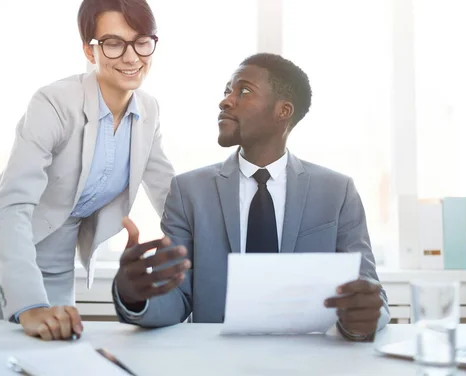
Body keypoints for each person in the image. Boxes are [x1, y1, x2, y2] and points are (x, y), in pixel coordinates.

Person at [0, 0, 174, 341]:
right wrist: (29, 305)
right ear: (89, 49)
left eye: (141, 41)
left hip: (59, 268)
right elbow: (11, 206)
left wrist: (213, 251)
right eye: (113, 43)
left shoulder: (148, 111)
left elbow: (170, 195)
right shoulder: (54, 102)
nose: (131, 56)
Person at [113, 53, 390, 340]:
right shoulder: (189, 192)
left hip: (308, 361)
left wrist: (366, 315)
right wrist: (136, 295)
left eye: (243, 91)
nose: (225, 100)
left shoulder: (337, 192)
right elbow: (176, 298)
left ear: (283, 111)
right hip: (219, 361)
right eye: (226, 91)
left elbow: (370, 291)